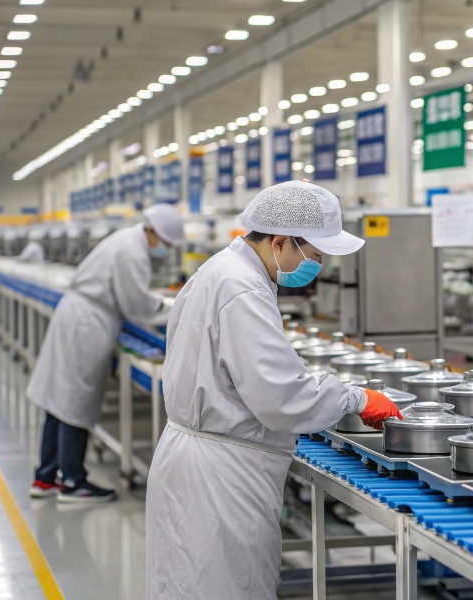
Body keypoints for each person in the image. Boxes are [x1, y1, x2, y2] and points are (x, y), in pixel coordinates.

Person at [145, 181, 402, 600]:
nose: (316, 266)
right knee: (226, 587)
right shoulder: (241, 288)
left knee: (187, 584)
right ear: (281, 242)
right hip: (222, 475)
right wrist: (356, 398)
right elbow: (283, 399)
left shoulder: (219, 271)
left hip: (196, 458)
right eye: (314, 256)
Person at [28, 204, 185, 503]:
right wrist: (174, 309)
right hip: (88, 323)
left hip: (76, 315)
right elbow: (136, 306)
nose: (163, 250)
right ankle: (73, 482)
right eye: (165, 243)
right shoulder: (133, 251)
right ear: (154, 232)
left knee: (57, 401)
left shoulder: (125, 239)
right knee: (75, 401)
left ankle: (45, 477)